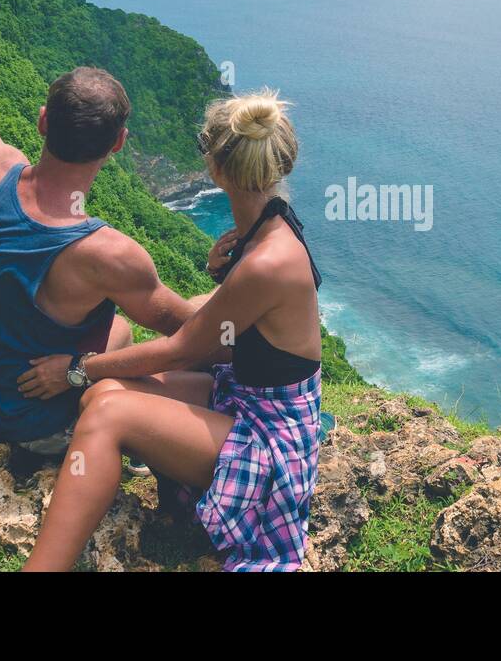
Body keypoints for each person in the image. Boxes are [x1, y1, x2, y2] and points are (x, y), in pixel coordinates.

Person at [18, 89, 323, 572]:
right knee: (106, 393)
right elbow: (239, 322)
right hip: (243, 399)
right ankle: (171, 512)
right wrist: (222, 273)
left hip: (269, 443)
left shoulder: (266, 260)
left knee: (108, 409)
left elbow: (183, 348)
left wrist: (76, 368)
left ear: (217, 169)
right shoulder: (268, 226)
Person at [0, 57, 218, 458]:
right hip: (45, 428)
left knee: (119, 329)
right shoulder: (107, 253)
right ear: (118, 142)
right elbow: (193, 337)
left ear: (43, 121)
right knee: (214, 385)